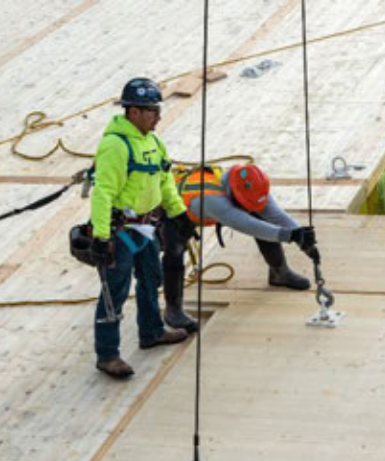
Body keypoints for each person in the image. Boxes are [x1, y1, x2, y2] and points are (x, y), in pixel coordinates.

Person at [89, 77, 191, 379]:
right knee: (115, 290)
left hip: (147, 230)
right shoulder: (115, 146)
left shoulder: (154, 142)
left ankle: (152, 331)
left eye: (157, 110)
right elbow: (103, 192)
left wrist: (179, 213)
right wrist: (101, 236)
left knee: (151, 279)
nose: (158, 117)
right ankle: (107, 355)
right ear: (132, 112)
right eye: (151, 111)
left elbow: (164, 181)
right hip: (121, 233)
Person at [160, 163, 318, 331]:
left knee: (259, 215)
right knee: (174, 252)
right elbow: (248, 225)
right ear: (234, 195)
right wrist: (292, 236)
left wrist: (301, 234)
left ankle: (280, 273)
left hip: (211, 205)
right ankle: (173, 310)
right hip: (173, 212)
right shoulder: (212, 200)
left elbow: (274, 214)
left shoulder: (250, 185)